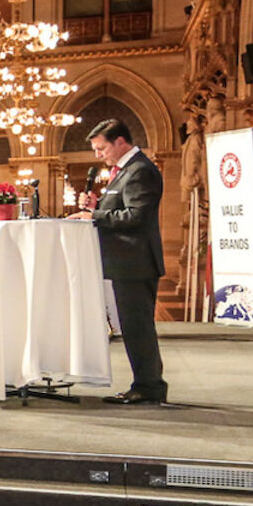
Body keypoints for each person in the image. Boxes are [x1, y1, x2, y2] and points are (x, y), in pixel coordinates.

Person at [69, 117, 168, 404]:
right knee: (133, 326)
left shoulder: (140, 170)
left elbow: (136, 216)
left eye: (102, 148)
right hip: (126, 261)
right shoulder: (125, 171)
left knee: (138, 328)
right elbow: (122, 207)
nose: (98, 155)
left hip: (136, 261)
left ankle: (149, 387)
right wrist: (97, 206)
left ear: (121, 142)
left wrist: (94, 216)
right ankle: (145, 385)